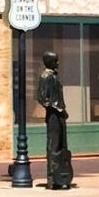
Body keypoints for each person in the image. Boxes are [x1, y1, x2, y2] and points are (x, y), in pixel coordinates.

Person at [37, 51, 73, 189]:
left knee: (62, 145)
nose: (58, 63)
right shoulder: (45, 77)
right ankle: (52, 178)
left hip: (60, 114)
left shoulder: (54, 76)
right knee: (54, 145)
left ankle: (61, 175)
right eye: (55, 61)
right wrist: (57, 109)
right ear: (49, 62)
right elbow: (42, 98)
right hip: (53, 115)